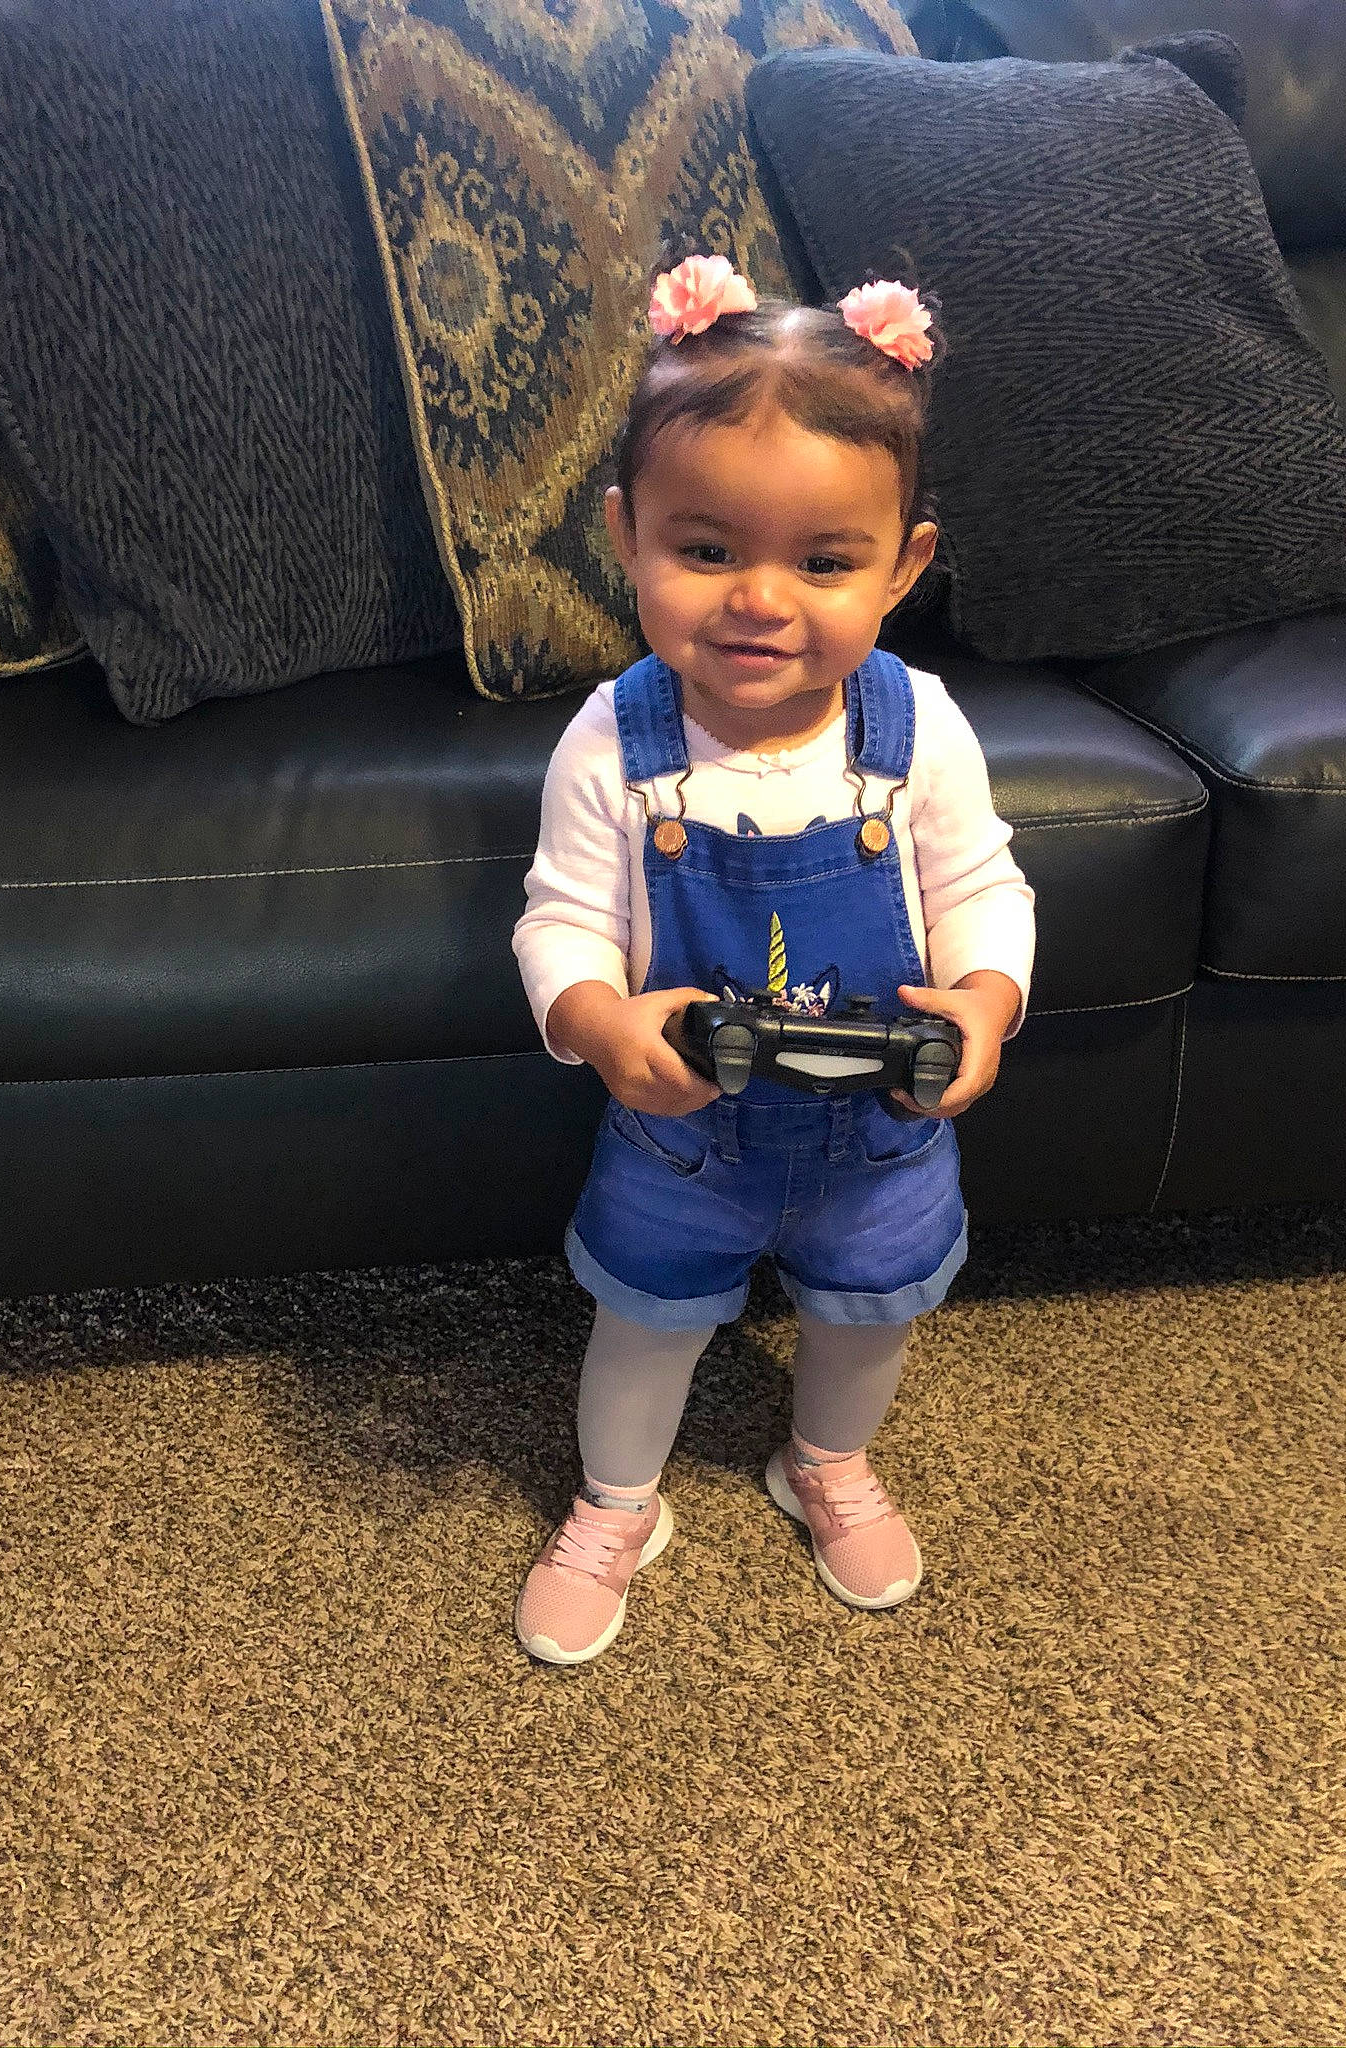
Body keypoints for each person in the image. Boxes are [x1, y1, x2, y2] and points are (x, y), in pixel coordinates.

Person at [511, 254, 1035, 1665]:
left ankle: (825, 1462)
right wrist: (599, 1023)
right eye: (705, 550)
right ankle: (616, 1503)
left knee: (867, 1323)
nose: (759, 600)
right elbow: (558, 918)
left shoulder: (915, 729)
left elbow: (982, 889)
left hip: (883, 1129)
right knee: (644, 1323)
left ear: (903, 567)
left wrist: (986, 1003)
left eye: (823, 562)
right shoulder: (614, 743)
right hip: (680, 1132)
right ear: (625, 537)